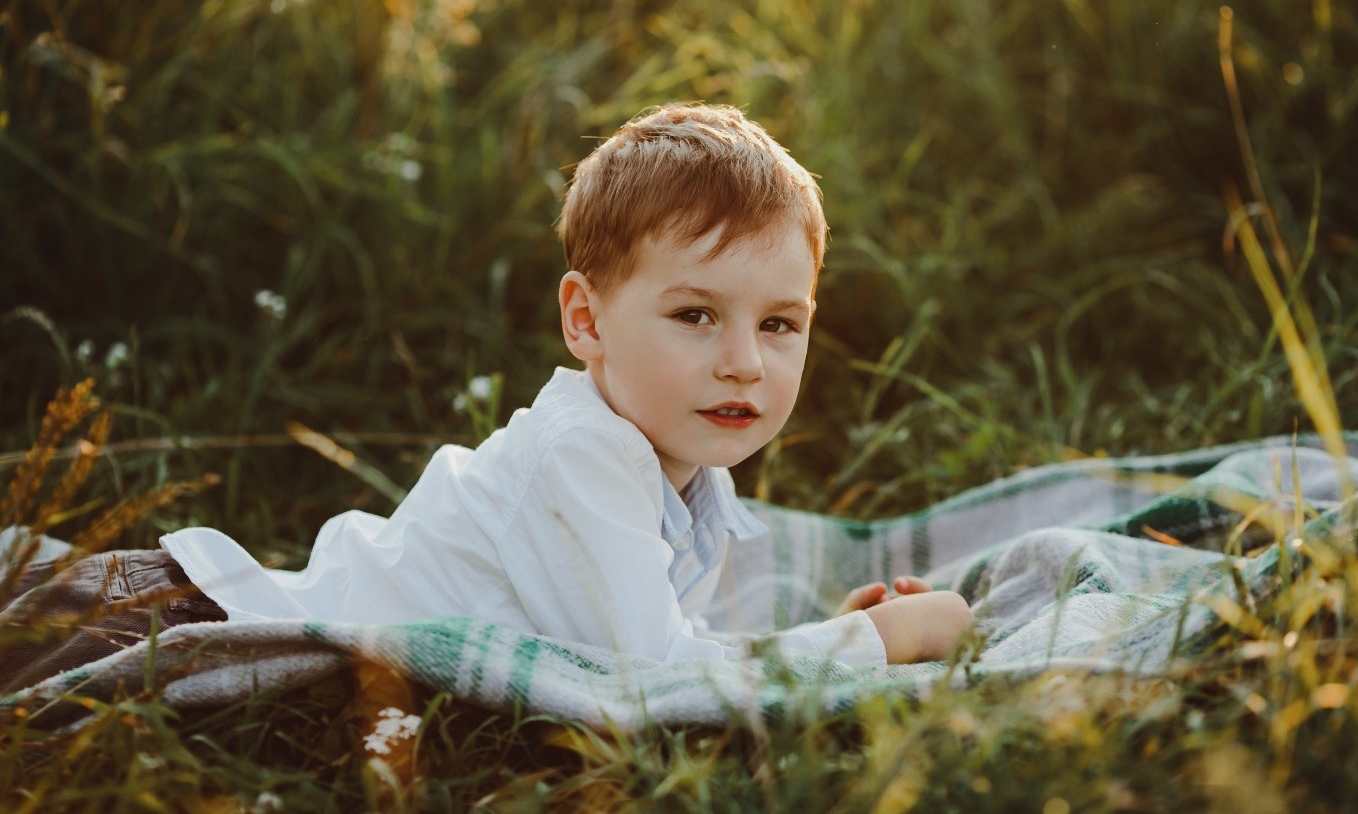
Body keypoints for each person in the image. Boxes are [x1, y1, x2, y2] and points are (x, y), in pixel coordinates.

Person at [1, 104, 970, 693]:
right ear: (584, 321)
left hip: (197, 607)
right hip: (176, 626)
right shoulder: (582, 457)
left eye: (778, 324)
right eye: (694, 314)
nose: (745, 365)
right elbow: (657, 686)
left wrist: (816, 637)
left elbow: (664, 649)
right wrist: (864, 646)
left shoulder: (683, 477)